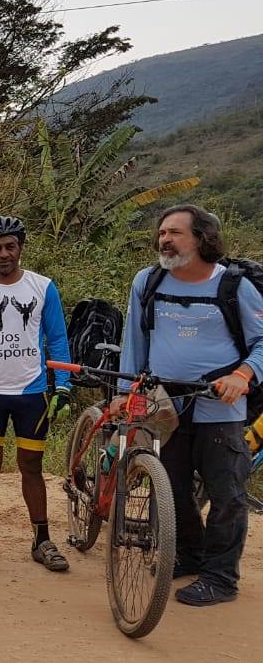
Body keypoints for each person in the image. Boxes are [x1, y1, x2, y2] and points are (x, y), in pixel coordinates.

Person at [118, 204, 263, 606]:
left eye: (175, 233)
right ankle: (189, 555)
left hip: (221, 408)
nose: (164, 239)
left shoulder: (234, 287)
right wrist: (126, 395)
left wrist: (243, 376)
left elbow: (262, 342)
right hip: (167, 404)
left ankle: (220, 578)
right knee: (172, 488)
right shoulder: (147, 282)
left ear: (201, 238)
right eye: (162, 232)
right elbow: (135, 342)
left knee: (227, 493)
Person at [0, 216, 72, 572]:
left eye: (10, 247)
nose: (3, 254)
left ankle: (42, 540)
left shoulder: (43, 287)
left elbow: (58, 338)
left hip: (31, 392)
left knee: (31, 467)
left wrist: (62, 387)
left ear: (20, 248)